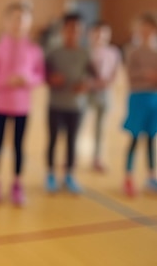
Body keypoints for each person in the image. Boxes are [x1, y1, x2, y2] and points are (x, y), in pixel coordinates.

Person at [0, 2, 45, 205]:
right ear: (7, 21)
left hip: (23, 107)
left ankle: (17, 184)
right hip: (1, 105)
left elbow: (40, 75)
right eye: (15, 18)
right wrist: (5, 81)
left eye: (23, 19)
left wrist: (28, 81)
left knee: (19, 146)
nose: (19, 23)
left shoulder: (33, 50)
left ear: (29, 22)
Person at [45, 13, 95, 194]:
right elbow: (44, 74)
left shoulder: (85, 53)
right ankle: (50, 174)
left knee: (72, 142)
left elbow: (93, 76)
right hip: (56, 104)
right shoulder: (54, 52)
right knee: (53, 140)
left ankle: (69, 175)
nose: (73, 32)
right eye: (70, 28)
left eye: (77, 29)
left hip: (76, 106)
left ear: (81, 31)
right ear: (63, 29)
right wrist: (51, 79)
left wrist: (87, 84)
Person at [122, 13, 157, 197]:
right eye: (142, 27)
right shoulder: (133, 51)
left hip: (154, 100)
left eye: (149, 27)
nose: (146, 31)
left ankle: (151, 176)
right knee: (134, 139)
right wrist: (148, 76)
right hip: (137, 98)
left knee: (151, 139)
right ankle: (128, 177)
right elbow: (131, 77)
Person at [87, 21, 121, 172]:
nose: (100, 36)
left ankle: (97, 157)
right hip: (87, 92)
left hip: (105, 92)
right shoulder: (85, 51)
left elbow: (115, 72)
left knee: (101, 127)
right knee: (79, 125)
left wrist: (106, 82)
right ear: (90, 34)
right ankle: (72, 157)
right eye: (97, 32)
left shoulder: (113, 52)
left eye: (103, 32)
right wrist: (92, 83)